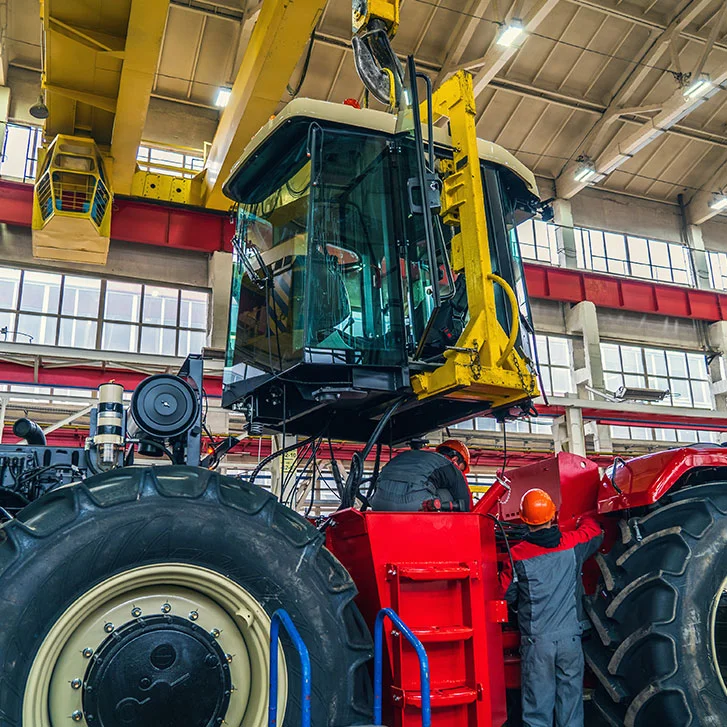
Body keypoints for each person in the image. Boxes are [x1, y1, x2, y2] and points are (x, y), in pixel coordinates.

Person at [499, 488, 603, 727]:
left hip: (538, 644)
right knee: (571, 706)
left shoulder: (516, 556)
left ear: (524, 520)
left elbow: (505, 595)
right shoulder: (572, 544)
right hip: (571, 641)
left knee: (537, 711)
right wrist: (583, 518)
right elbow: (594, 532)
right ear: (553, 515)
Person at [370, 439, 471, 512]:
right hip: (415, 508)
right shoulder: (448, 465)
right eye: (461, 468)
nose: (461, 472)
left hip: (378, 506)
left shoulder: (405, 456)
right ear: (455, 459)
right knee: (450, 496)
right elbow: (466, 505)